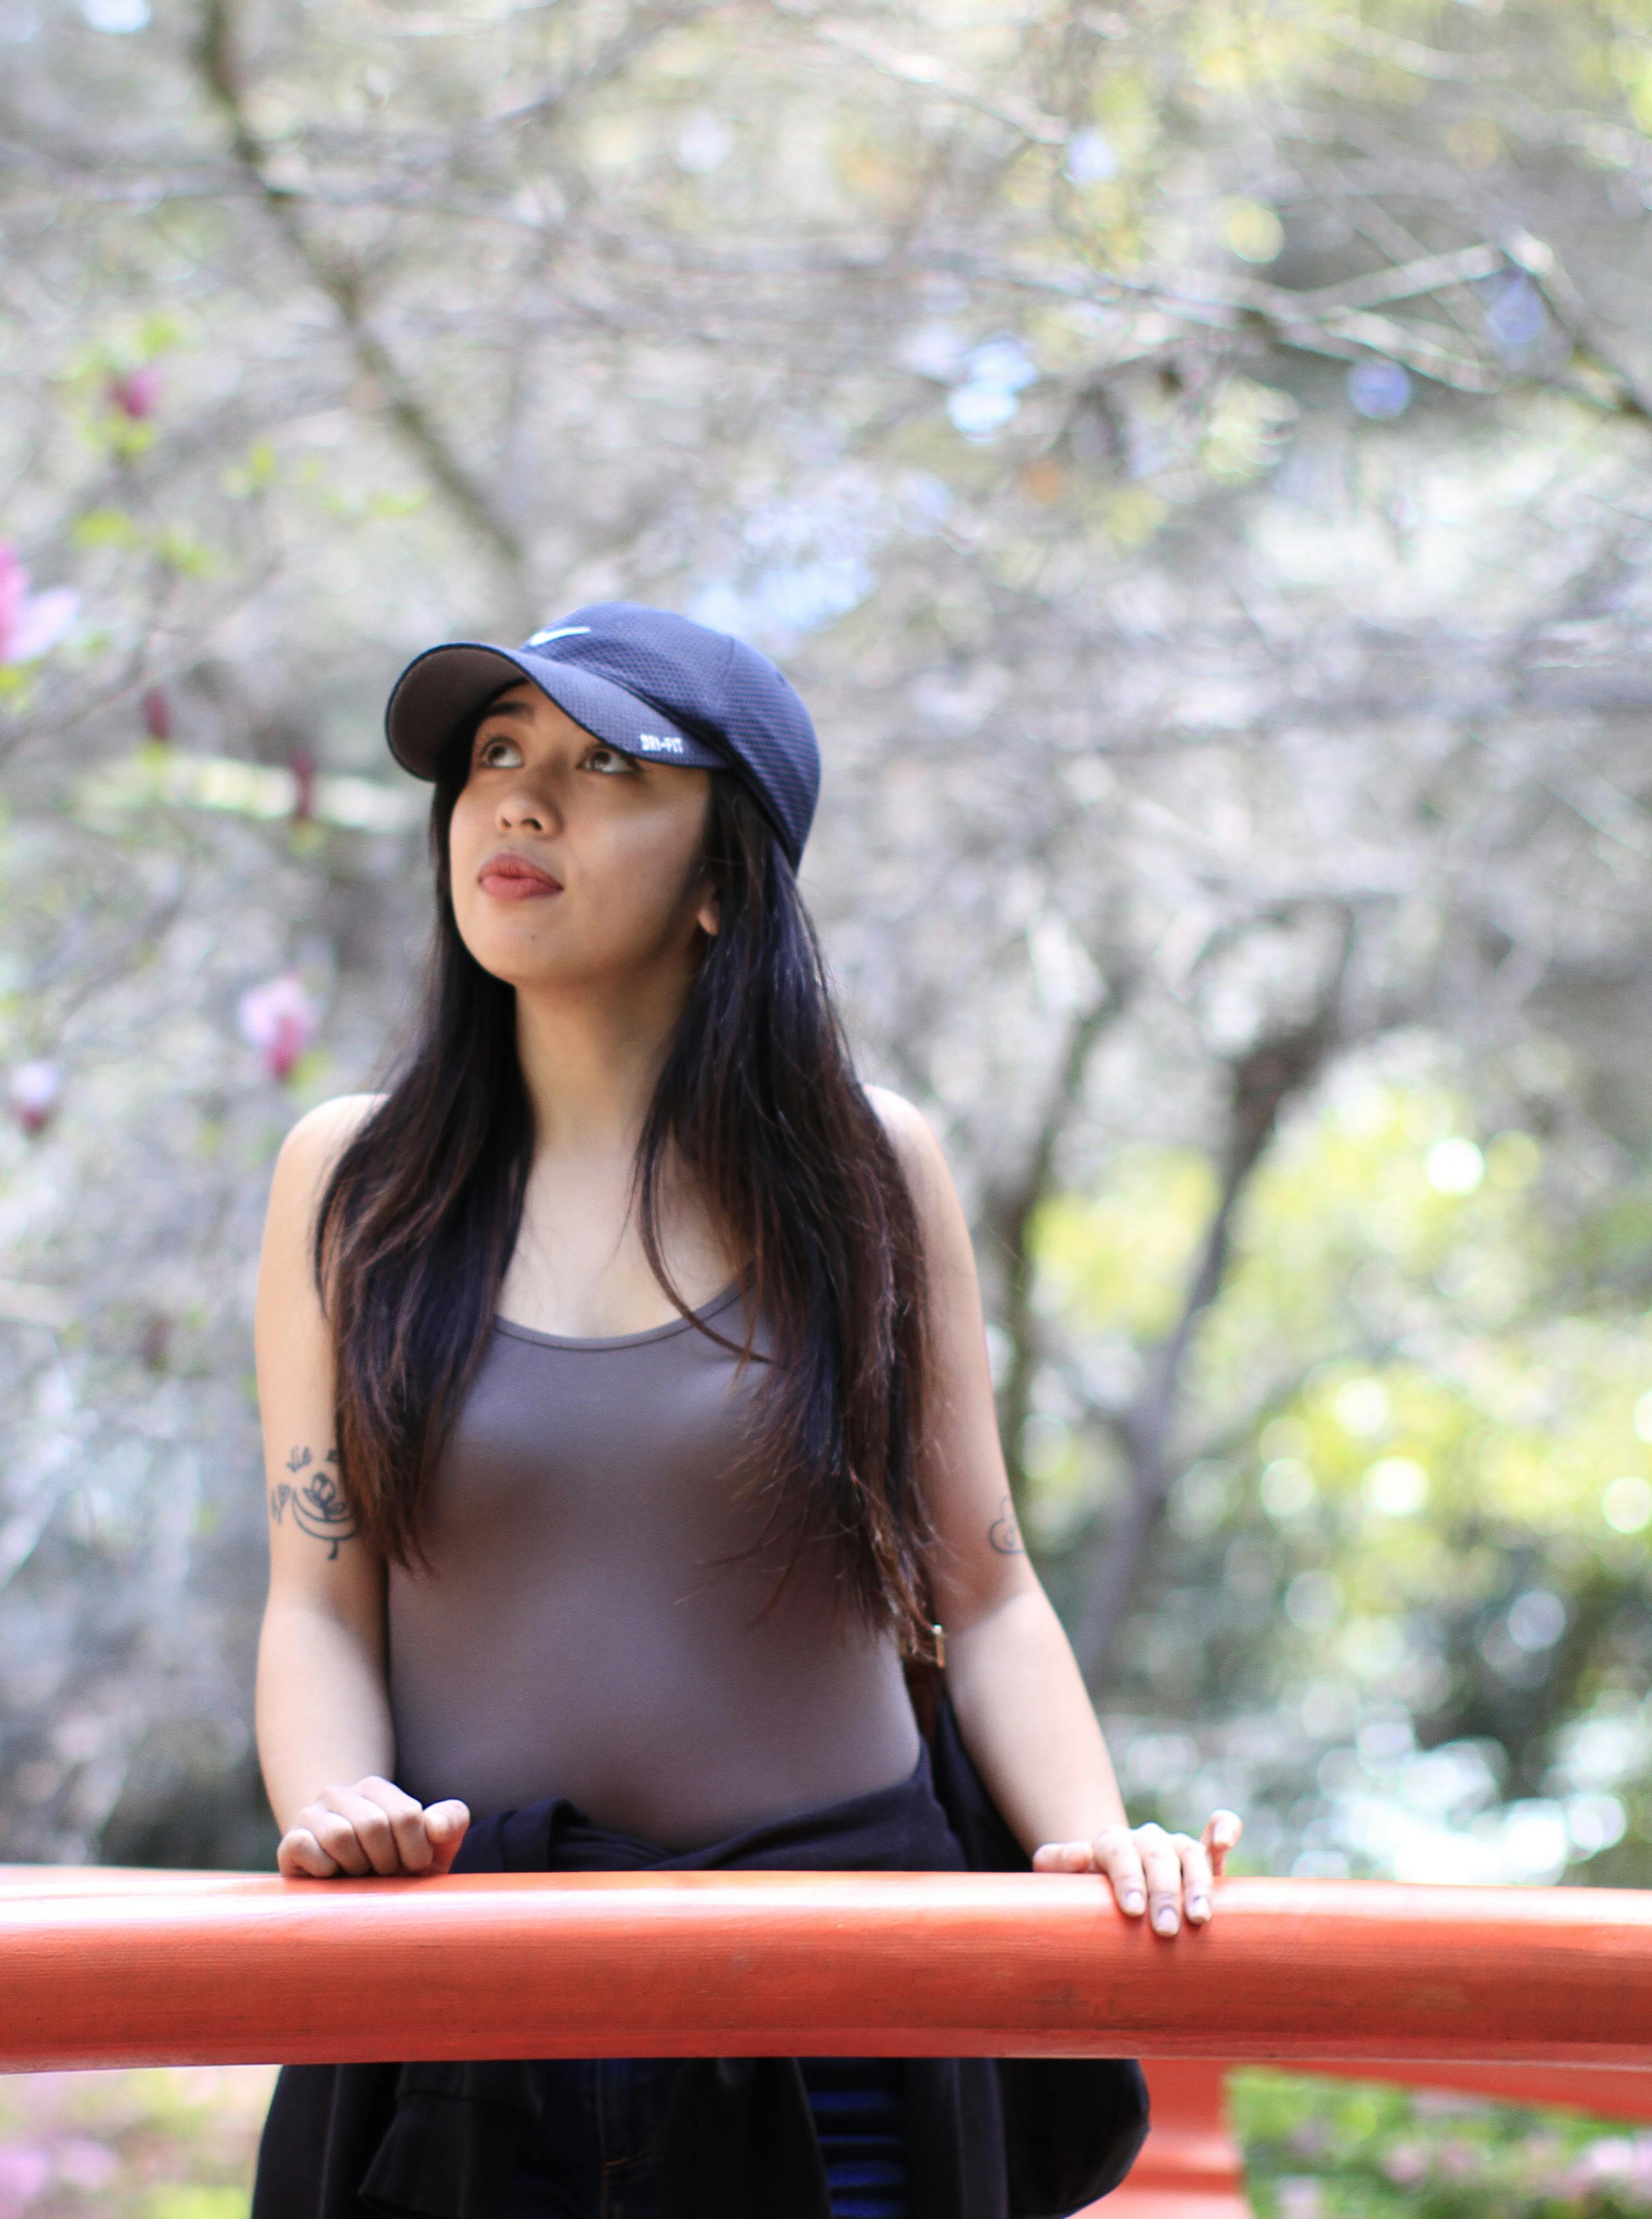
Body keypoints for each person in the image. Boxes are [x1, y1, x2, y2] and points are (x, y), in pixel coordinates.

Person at [248, 604, 1239, 2219]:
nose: (518, 802)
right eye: (496, 758)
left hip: (840, 2006)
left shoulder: (867, 1170)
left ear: (725, 876)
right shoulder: (349, 1184)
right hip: (472, 2007)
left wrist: (1094, 1840)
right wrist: (335, 1814)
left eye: (603, 768)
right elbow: (317, 1603)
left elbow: (984, 1591)